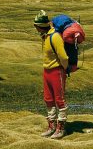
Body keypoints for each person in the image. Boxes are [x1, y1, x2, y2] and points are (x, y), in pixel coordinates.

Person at [34, 10, 69, 140]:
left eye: (36, 26)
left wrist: (64, 69)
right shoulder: (45, 36)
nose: (35, 28)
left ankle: (61, 127)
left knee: (59, 100)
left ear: (40, 26)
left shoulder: (55, 37)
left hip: (57, 71)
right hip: (47, 71)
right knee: (48, 99)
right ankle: (51, 125)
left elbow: (63, 56)